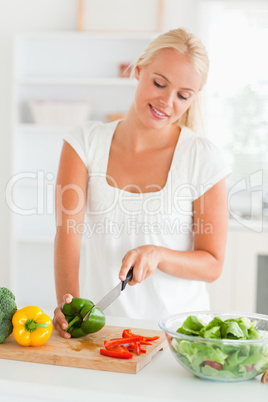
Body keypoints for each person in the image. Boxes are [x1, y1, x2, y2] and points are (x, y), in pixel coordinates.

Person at [53, 28, 231, 338]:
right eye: (159, 83)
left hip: (177, 338)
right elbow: (68, 235)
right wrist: (68, 306)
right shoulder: (85, 143)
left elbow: (212, 264)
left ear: (193, 99)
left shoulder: (203, 158)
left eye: (182, 95)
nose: (166, 101)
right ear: (137, 70)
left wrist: (158, 254)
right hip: (103, 334)